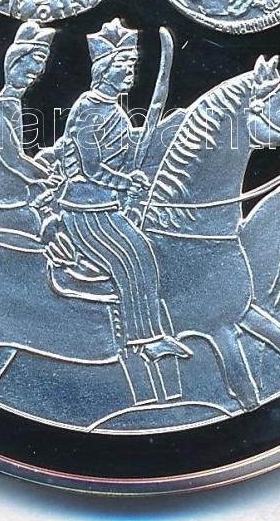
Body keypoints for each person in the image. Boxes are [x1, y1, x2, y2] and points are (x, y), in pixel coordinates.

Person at [53, 18, 191, 367]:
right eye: (124, 65)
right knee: (133, 257)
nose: (130, 71)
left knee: (144, 252)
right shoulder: (88, 109)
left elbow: (123, 154)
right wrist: (126, 182)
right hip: (84, 210)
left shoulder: (114, 109)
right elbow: (91, 169)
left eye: (132, 64)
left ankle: (152, 336)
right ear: (104, 69)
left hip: (106, 205)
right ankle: (143, 341)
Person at [0, 20, 58, 231]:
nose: (39, 70)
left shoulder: (12, 106)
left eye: (42, 62)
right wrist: (46, 176)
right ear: (15, 62)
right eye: (35, 60)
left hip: (12, 200)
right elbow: (13, 160)